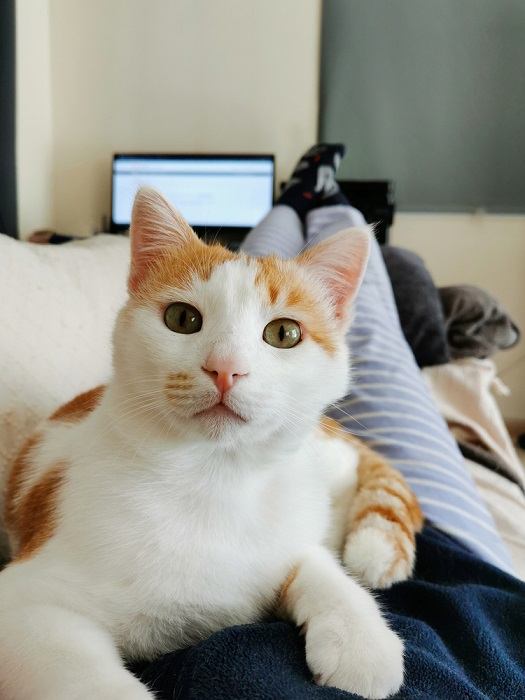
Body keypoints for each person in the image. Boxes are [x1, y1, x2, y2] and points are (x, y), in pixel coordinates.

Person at [133, 146, 525, 699]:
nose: (225, 370)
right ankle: (320, 196)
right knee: (396, 295)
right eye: (184, 318)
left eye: (282, 335)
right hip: (461, 550)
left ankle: (300, 197)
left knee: (276, 269)